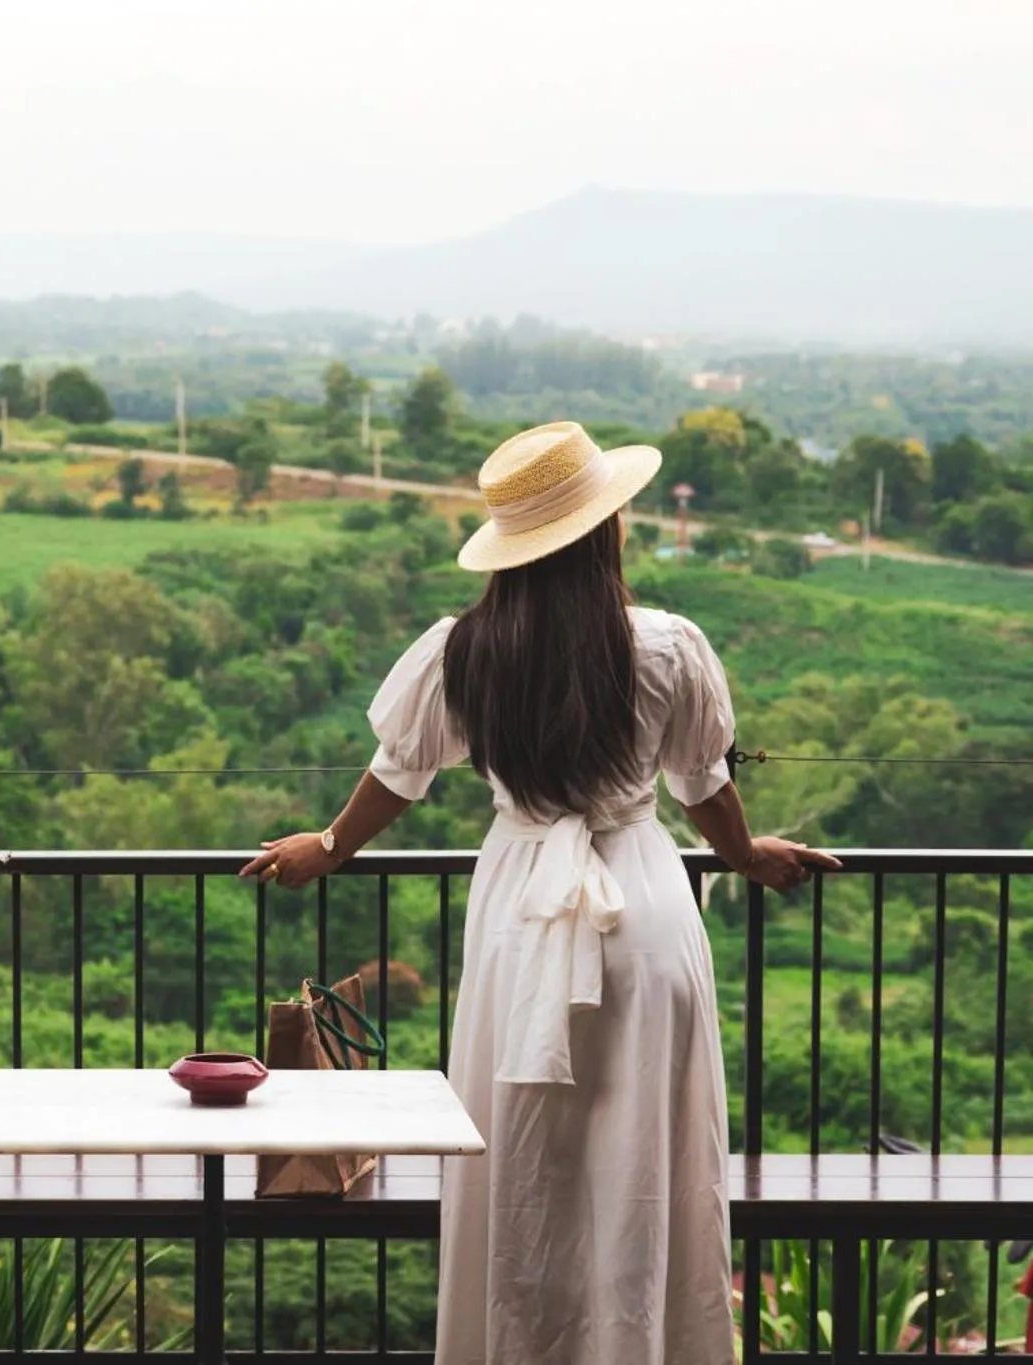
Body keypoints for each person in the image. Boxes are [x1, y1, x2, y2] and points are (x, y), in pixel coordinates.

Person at [241, 421, 839, 1365]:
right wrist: (743, 855)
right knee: (648, 1153)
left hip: (523, 910)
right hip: (641, 903)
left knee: (522, 1152)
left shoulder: (464, 650)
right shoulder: (668, 646)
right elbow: (703, 784)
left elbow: (400, 772)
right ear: (604, 529)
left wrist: (327, 845)